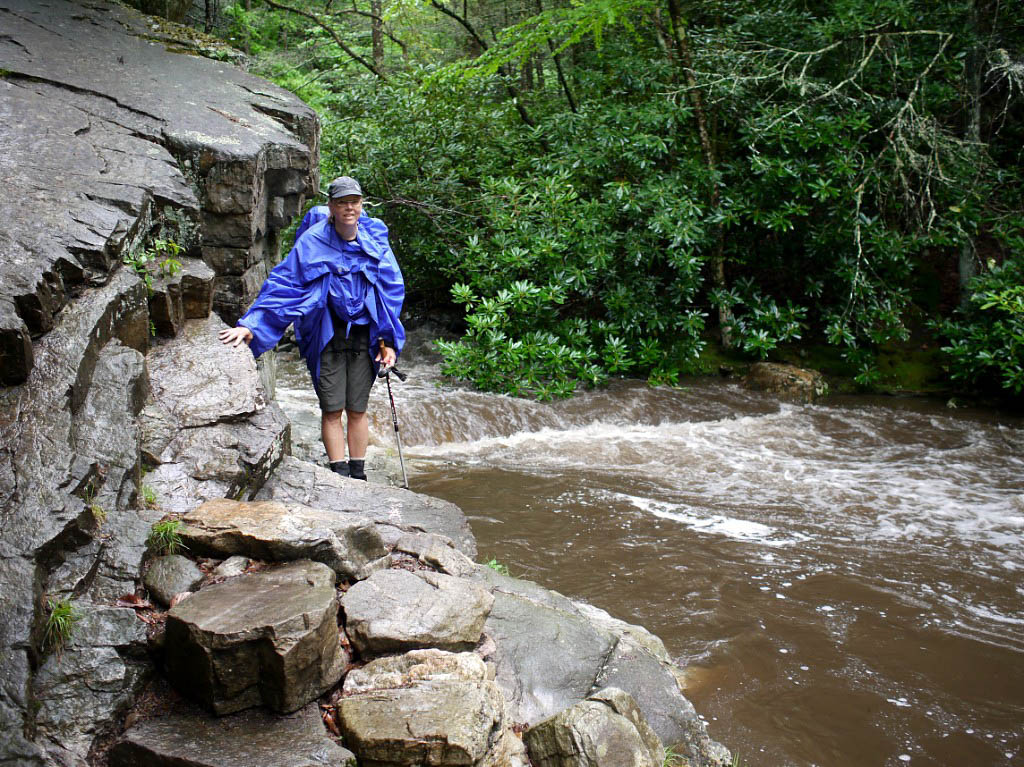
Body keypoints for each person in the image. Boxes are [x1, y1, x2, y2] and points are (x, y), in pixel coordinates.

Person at [219, 176, 405, 480]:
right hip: (326, 333)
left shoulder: (375, 241)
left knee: (357, 408)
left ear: (361, 205)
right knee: (332, 408)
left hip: (364, 336)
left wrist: (388, 341)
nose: (349, 208)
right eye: (342, 202)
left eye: (354, 202)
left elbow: (389, 292)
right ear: (330, 206)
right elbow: (284, 284)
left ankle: (358, 474)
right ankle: (338, 475)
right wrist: (251, 325)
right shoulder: (313, 242)